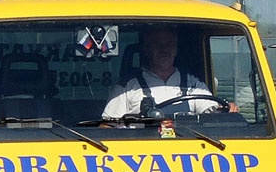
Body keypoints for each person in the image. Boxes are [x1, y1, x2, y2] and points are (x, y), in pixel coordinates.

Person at [102, 26, 238, 119]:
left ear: (176, 49)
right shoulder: (126, 87)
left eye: (169, 44)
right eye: (158, 45)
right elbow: (106, 128)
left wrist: (225, 110)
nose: (164, 50)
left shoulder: (193, 84)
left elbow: (212, 112)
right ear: (146, 49)